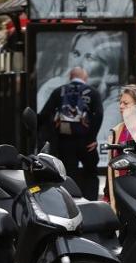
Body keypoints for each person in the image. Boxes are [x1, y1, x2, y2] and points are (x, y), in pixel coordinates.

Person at [38, 66, 103, 201]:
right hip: (86, 142)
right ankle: (91, 200)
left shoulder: (59, 91)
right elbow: (99, 115)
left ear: (70, 77)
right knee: (90, 172)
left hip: (65, 141)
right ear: (85, 78)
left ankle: (70, 200)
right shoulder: (93, 92)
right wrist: (92, 138)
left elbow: (45, 113)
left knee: (68, 173)